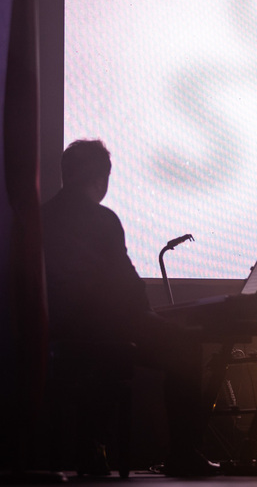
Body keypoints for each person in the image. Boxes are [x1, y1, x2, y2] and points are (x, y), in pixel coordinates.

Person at [41, 139, 217, 476]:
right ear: (100, 180)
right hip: (104, 327)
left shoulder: (40, 217)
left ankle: (92, 449)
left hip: (55, 330)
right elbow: (126, 283)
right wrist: (145, 312)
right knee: (183, 345)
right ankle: (183, 453)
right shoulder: (102, 218)